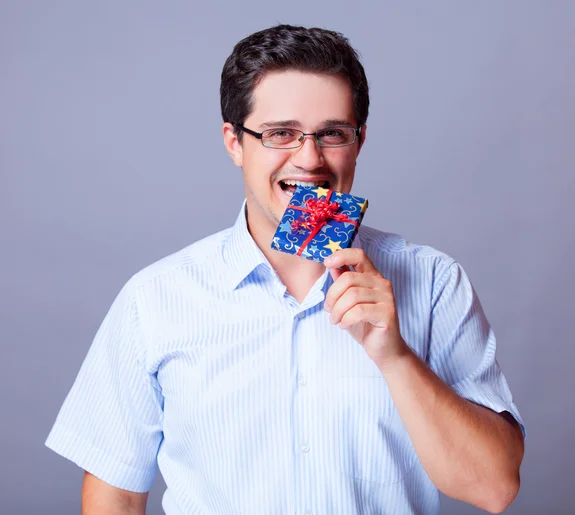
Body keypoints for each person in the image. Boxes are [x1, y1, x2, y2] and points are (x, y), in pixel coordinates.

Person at [45, 24, 526, 515]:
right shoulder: (153, 300)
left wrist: (395, 357)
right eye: (281, 134)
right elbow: (117, 495)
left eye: (333, 133)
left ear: (359, 140)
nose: (310, 159)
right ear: (234, 142)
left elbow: (494, 488)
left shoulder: (434, 283)